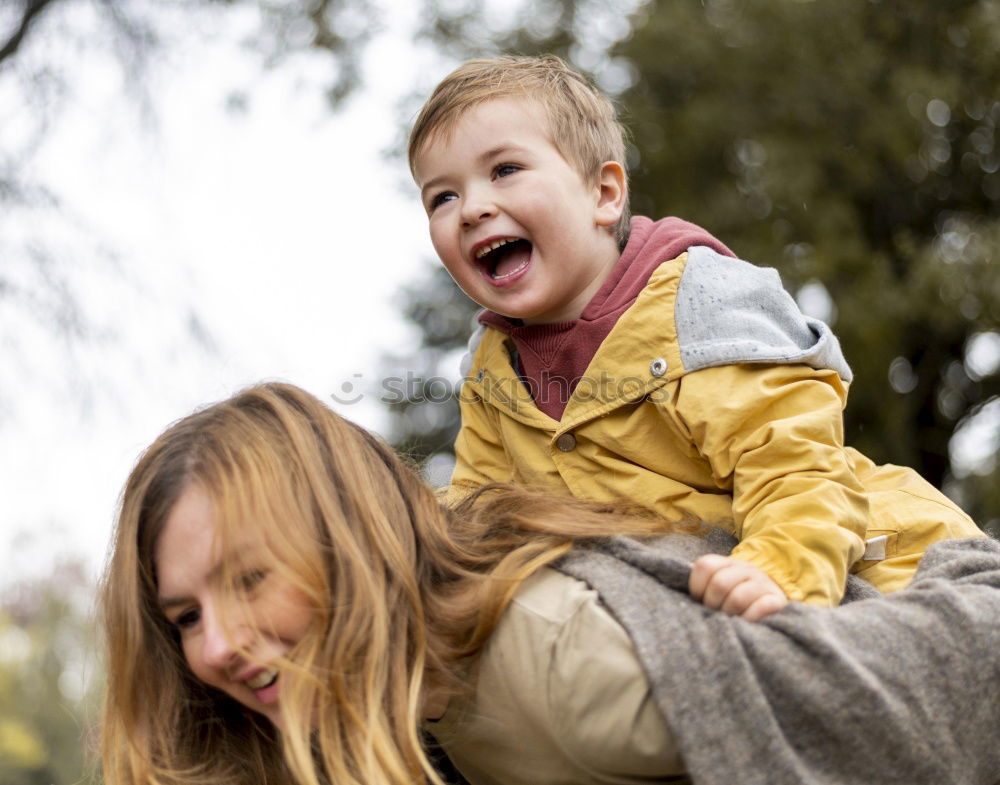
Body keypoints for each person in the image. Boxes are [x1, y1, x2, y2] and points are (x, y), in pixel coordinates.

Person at [101, 383, 1000, 785]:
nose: (215, 645)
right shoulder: (402, 706)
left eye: (251, 579)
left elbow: (965, 667)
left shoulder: (565, 672)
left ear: (351, 542)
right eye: (185, 614)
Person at [407, 54, 983, 618]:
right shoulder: (492, 373)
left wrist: (780, 568)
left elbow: (796, 467)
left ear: (604, 195)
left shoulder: (697, 308)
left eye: (505, 170)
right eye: (442, 196)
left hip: (892, 564)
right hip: (693, 591)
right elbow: (479, 514)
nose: (473, 208)